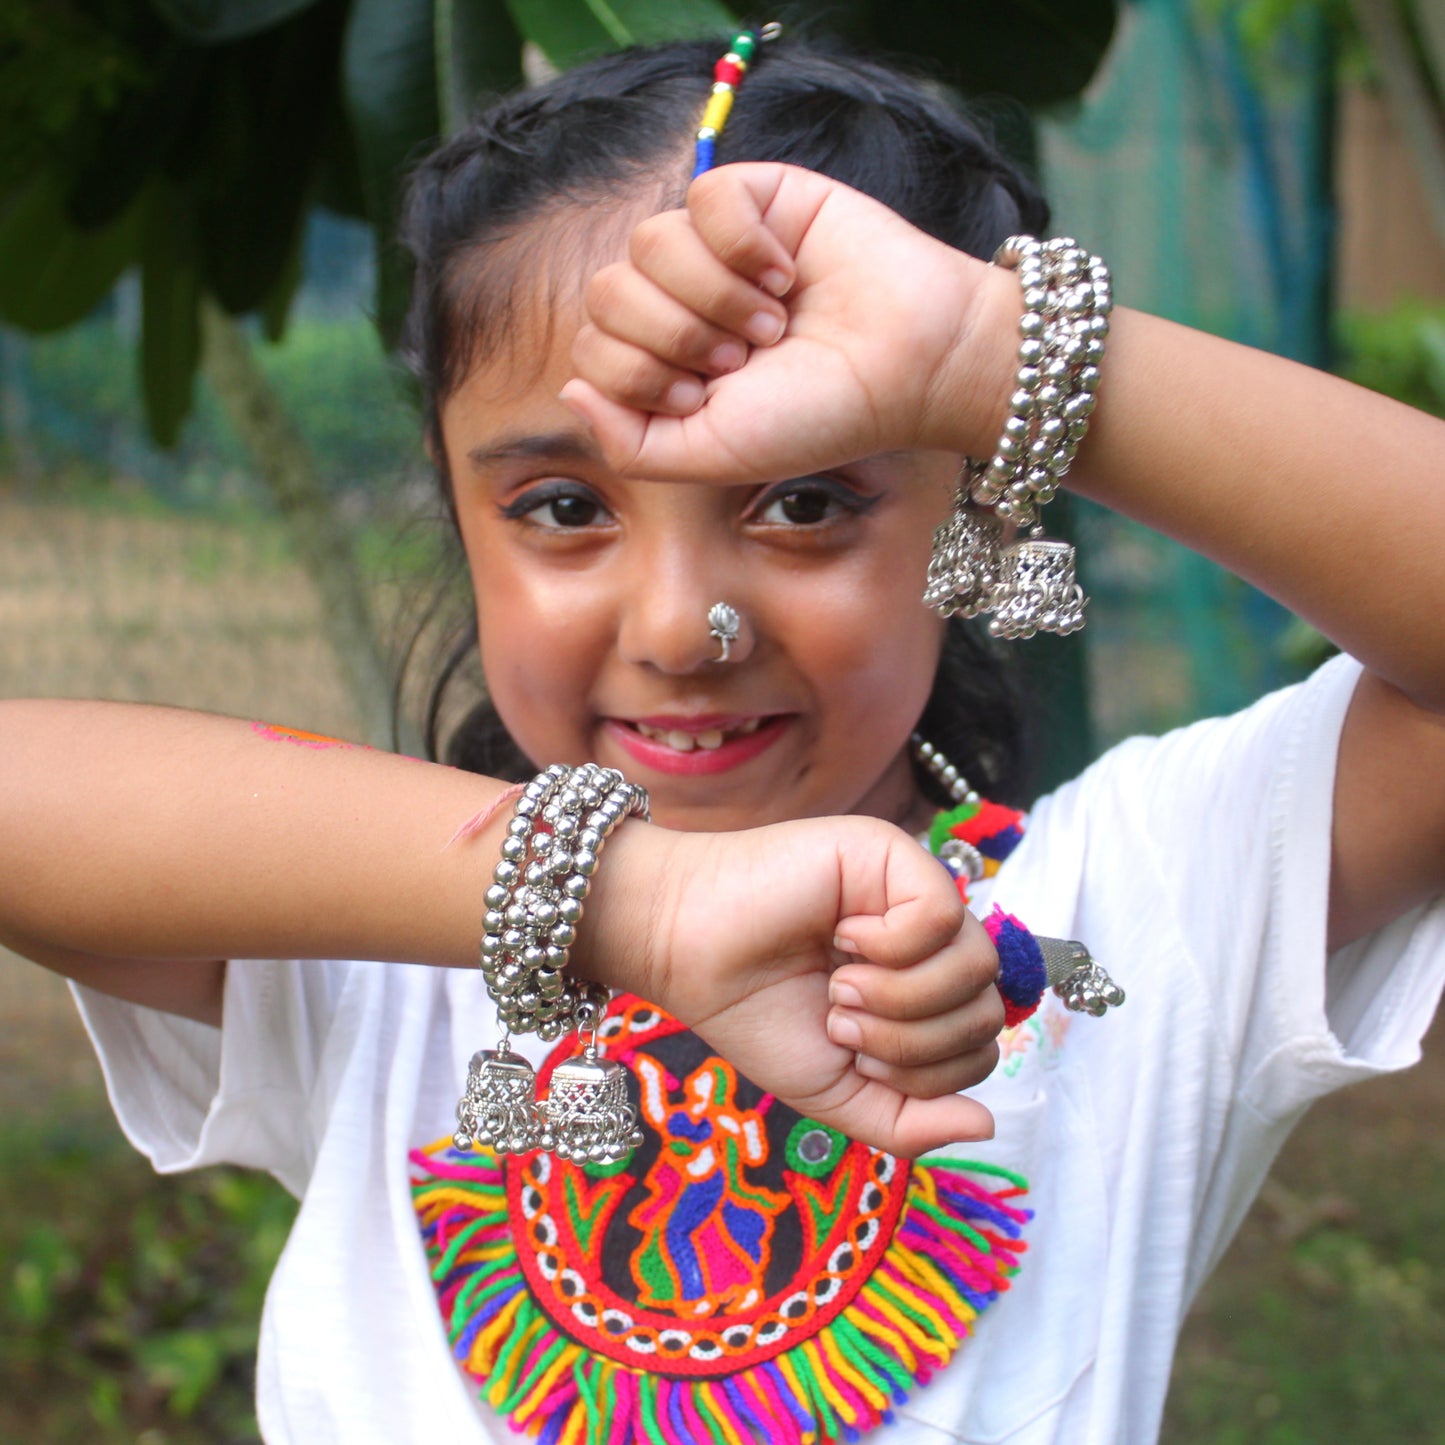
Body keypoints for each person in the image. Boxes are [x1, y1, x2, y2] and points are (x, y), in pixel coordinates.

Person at [2, 32, 1443, 1445]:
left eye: (803, 501)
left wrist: (984, 350)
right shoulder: (378, 944)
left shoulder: (1130, 920)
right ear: (456, 515)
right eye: (564, 509)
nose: (684, 624)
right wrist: (633, 900)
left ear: (980, 507)